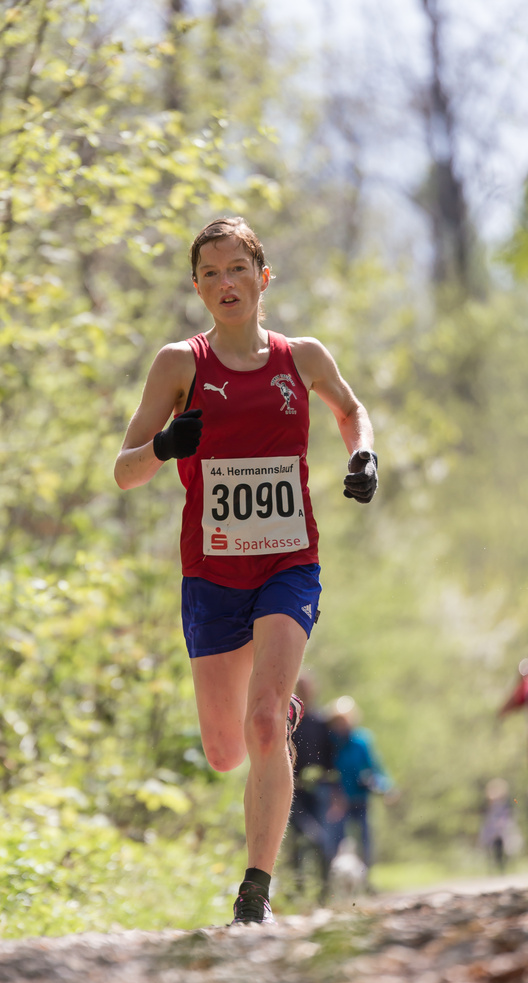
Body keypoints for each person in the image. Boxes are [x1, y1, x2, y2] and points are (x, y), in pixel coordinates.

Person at [114, 217, 378, 925]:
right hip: (212, 573)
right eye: (210, 273)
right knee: (226, 748)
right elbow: (123, 473)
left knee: (265, 725)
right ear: (197, 287)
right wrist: (167, 444)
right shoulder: (180, 364)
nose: (225, 283)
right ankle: (271, 717)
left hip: (290, 564)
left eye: (237, 270)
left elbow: (354, 413)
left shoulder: (303, 357)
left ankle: (255, 892)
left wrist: (364, 455)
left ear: (263, 279)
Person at [285, 673, 340, 904]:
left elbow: (331, 758)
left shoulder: (321, 722)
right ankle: (295, 894)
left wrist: (337, 792)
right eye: (301, 687)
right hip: (293, 791)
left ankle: (324, 894)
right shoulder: (289, 720)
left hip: (319, 791)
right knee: (299, 840)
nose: (305, 691)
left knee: (323, 841)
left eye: (308, 688)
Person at [326, 696, 392, 885]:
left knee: (364, 841)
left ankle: (366, 881)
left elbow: (375, 768)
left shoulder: (362, 741)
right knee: (336, 843)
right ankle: (334, 885)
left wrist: (386, 788)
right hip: (338, 802)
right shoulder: (330, 743)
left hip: (360, 799)